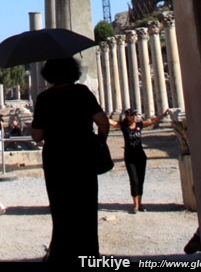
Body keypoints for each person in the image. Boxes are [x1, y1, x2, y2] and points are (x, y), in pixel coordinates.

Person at [31, 57, 109, 261]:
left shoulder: (44, 98)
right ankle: (89, 255)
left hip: (56, 160)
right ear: (73, 72)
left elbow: (37, 136)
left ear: (49, 75)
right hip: (83, 157)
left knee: (61, 209)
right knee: (86, 209)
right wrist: (99, 141)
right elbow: (103, 122)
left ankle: (62, 255)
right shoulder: (82, 92)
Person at [109, 107, 169, 213]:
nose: (134, 117)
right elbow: (112, 123)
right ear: (127, 117)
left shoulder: (139, 125)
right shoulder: (124, 126)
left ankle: (140, 204)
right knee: (134, 180)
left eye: (135, 115)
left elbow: (152, 121)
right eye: (132, 115)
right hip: (129, 157)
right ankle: (135, 205)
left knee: (140, 180)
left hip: (140, 156)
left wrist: (163, 115)